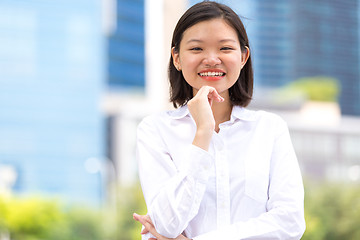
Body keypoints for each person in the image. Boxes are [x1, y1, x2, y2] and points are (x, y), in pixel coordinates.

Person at [133, 1, 306, 239]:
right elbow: (166, 224)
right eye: (196, 49)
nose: (212, 59)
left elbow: (290, 223)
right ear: (176, 58)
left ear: (244, 57)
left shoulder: (269, 129)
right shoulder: (155, 130)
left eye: (225, 48)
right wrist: (203, 132)